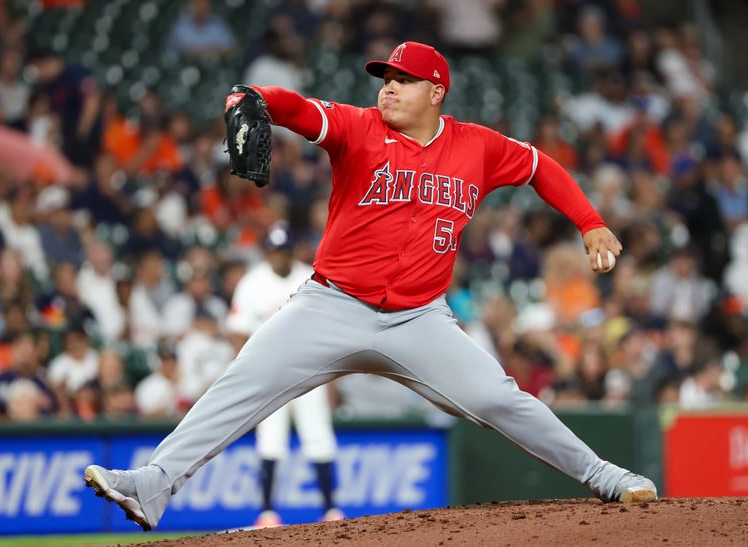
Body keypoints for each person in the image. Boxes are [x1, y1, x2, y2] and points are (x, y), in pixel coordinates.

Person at [84, 41, 656, 532]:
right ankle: (151, 485)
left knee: (498, 398)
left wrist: (590, 221)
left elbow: (540, 168)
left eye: (403, 80)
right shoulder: (357, 127)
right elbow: (298, 111)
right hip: (330, 305)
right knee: (242, 382)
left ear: (437, 91)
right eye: (385, 78)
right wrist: (253, 97)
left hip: (419, 319)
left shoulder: (477, 146)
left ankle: (606, 477)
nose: (388, 88)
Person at [227, 221, 343, 527]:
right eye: (276, 250)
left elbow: (328, 331)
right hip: (268, 374)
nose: (280, 256)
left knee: (319, 437)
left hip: (308, 372)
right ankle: (267, 511)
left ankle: (331, 508)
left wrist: (331, 378)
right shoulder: (252, 283)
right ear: (267, 251)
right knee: (271, 441)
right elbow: (238, 334)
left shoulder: (310, 277)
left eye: (285, 250)